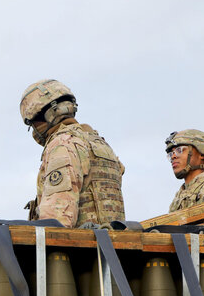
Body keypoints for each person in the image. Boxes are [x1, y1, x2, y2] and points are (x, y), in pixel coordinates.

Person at [19, 79, 125, 227]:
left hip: (82, 247)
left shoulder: (62, 144)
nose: (35, 130)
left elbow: (56, 219)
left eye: (33, 123)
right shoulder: (98, 143)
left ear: (48, 115)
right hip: (113, 245)